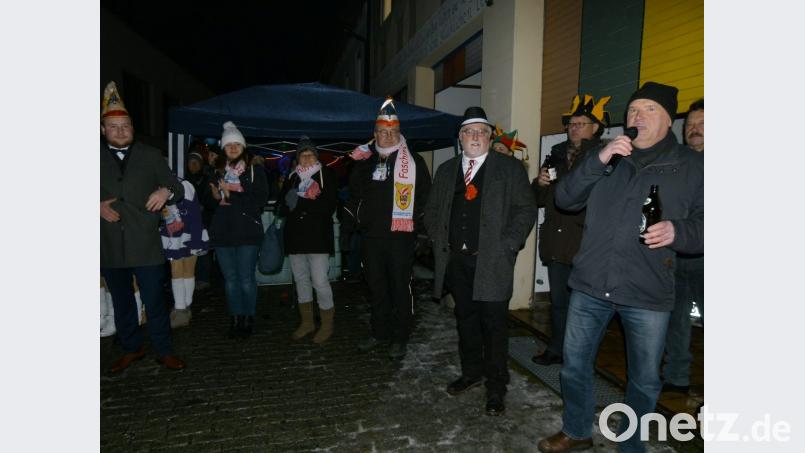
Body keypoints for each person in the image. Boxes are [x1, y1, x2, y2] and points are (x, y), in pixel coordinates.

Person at [537, 82, 703, 453]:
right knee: (573, 366)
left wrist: (680, 230)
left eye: (648, 110)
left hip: (647, 290)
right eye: (632, 110)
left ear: (668, 120)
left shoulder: (692, 165)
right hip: (591, 283)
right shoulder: (605, 156)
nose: (636, 116)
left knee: (643, 380)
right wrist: (598, 159)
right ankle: (577, 430)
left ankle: (631, 444)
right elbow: (564, 198)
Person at [424, 107, 538, 416]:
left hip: (492, 262)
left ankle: (496, 387)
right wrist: (439, 238)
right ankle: (472, 373)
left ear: (489, 137)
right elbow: (432, 210)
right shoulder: (446, 171)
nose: (475, 137)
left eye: (481, 132)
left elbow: (525, 209)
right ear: (460, 138)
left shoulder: (509, 169)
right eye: (469, 132)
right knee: (465, 322)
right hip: (457, 262)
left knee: (494, 327)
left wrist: (509, 244)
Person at [100, 81, 186, 372]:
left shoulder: (150, 154)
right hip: (110, 244)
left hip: (146, 242)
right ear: (103, 130)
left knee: (154, 299)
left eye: (125, 125)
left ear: (133, 127)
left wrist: (164, 191)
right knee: (122, 301)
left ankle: (164, 350)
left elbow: (176, 185)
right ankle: (131, 348)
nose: (121, 131)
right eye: (114, 127)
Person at [343, 97, 432, 360]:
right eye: (383, 132)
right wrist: (347, 231)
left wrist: (422, 233)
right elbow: (353, 199)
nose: (388, 136)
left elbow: (426, 199)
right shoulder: (365, 163)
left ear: (399, 133)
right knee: (376, 288)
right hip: (371, 238)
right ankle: (379, 332)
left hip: (401, 239)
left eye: (393, 132)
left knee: (401, 288)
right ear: (375, 134)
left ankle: (400, 337)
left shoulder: (414, 162)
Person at [530, 94, 611, 366]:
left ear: (596, 127)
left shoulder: (606, 156)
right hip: (557, 242)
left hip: (586, 244)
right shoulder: (555, 154)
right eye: (572, 123)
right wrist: (539, 184)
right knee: (559, 304)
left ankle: (580, 356)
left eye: (581, 123)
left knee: (585, 307)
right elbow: (539, 201)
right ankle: (556, 349)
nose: (574, 128)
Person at [208, 121, 269, 338]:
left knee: (245, 278)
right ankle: (235, 318)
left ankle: (248, 317)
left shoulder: (254, 170)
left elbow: (260, 200)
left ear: (243, 147)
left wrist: (233, 192)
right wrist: (215, 196)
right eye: (228, 144)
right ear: (223, 148)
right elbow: (209, 201)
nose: (233, 148)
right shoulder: (216, 171)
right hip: (223, 232)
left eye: (237, 144)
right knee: (231, 279)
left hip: (247, 232)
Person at [277, 137, 338, 343]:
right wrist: (291, 199)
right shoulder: (292, 177)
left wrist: (302, 202)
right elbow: (283, 208)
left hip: (318, 237)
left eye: (310, 154)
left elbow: (329, 206)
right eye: (302, 155)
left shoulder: (326, 174)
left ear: (316, 156)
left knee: (320, 281)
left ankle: (327, 324)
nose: (306, 158)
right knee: (301, 281)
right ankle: (307, 322)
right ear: (297, 158)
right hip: (295, 237)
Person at [662, 98, 704, 395]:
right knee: (675, 320)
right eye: (690, 125)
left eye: (702, 124)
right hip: (676, 255)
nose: (694, 129)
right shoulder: (679, 163)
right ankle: (676, 378)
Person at [160, 178, 209, 328]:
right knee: (177, 271)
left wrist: (195, 240)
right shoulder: (156, 185)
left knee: (187, 271)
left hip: (189, 233)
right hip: (172, 236)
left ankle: (185, 307)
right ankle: (181, 307)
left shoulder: (185, 185)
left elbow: (194, 214)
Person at [185, 150, 216, 290]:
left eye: (196, 162)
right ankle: (189, 277)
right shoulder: (183, 178)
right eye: (190, 162)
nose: (193, 165)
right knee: (188, 248)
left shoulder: (206, 177)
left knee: (204, 250)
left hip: (205, 220)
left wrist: (203, 205)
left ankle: (203, 278)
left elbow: (211, 197)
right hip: (188, 221)